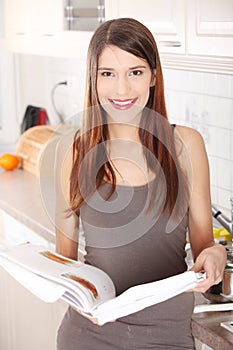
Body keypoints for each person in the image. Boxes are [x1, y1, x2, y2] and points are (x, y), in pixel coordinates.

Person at [55, 17, 226, 350]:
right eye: (108, 74)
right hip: (89, 335)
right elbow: (65, 262)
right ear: (94, 79)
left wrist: (216, 254)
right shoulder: (74, 151)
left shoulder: (185, 145)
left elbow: (205, 245)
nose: (122, 90)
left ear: (153, 76)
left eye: (135, 72)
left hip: (168, 337)